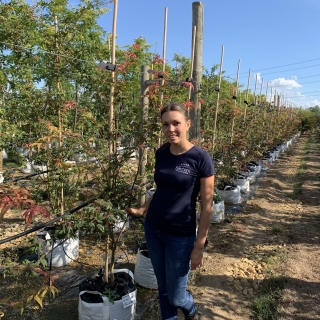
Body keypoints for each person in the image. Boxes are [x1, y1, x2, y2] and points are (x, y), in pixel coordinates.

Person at [126, 103, 215, 320]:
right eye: (166, 124)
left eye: (176, 123)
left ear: (187, 124)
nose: (170, 129)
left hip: (180, 236)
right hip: (153, 229)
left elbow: (207, 207)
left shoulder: (201, 159)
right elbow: (161, 189)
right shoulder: (162, 152)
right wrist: (142, 208)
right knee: (162, 287)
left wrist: (199, 246)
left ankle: (190, 308)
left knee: (176, 296)